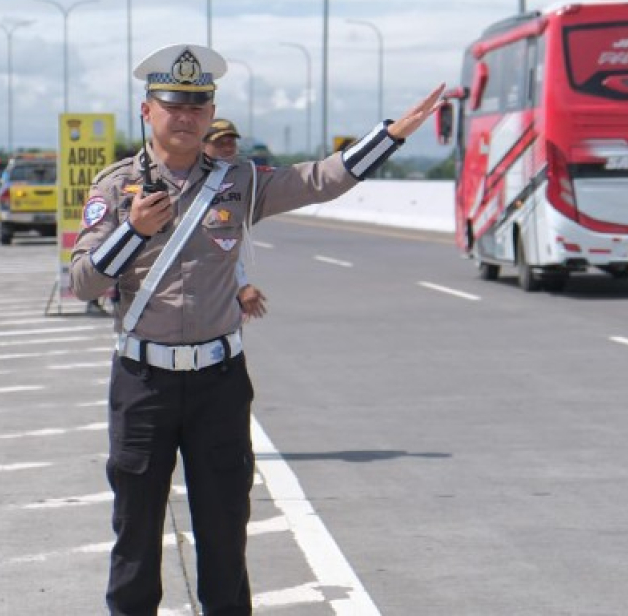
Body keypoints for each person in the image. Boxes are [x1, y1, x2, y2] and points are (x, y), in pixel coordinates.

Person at [69, 43, 444, 615]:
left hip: (219, 381)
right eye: (174, 106)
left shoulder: (239, 180)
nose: (187, 117)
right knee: (136, 530)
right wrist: (134, 231)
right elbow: (83, 283)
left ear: (211, 112)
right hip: (143, 381)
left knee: (224, 529)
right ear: (147, 111)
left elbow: (317, 180)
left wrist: (389, 137)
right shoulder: (116, 187)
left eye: (198, 106)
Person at [201, 118, 267, 321]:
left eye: (231, 142)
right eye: (219, 143)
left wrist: (241, 284)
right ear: (202, 146)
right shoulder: (190, 183)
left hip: (220, 293)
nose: (228, 148)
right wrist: (241, 285)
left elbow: (226, 247)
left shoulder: (242, 178)